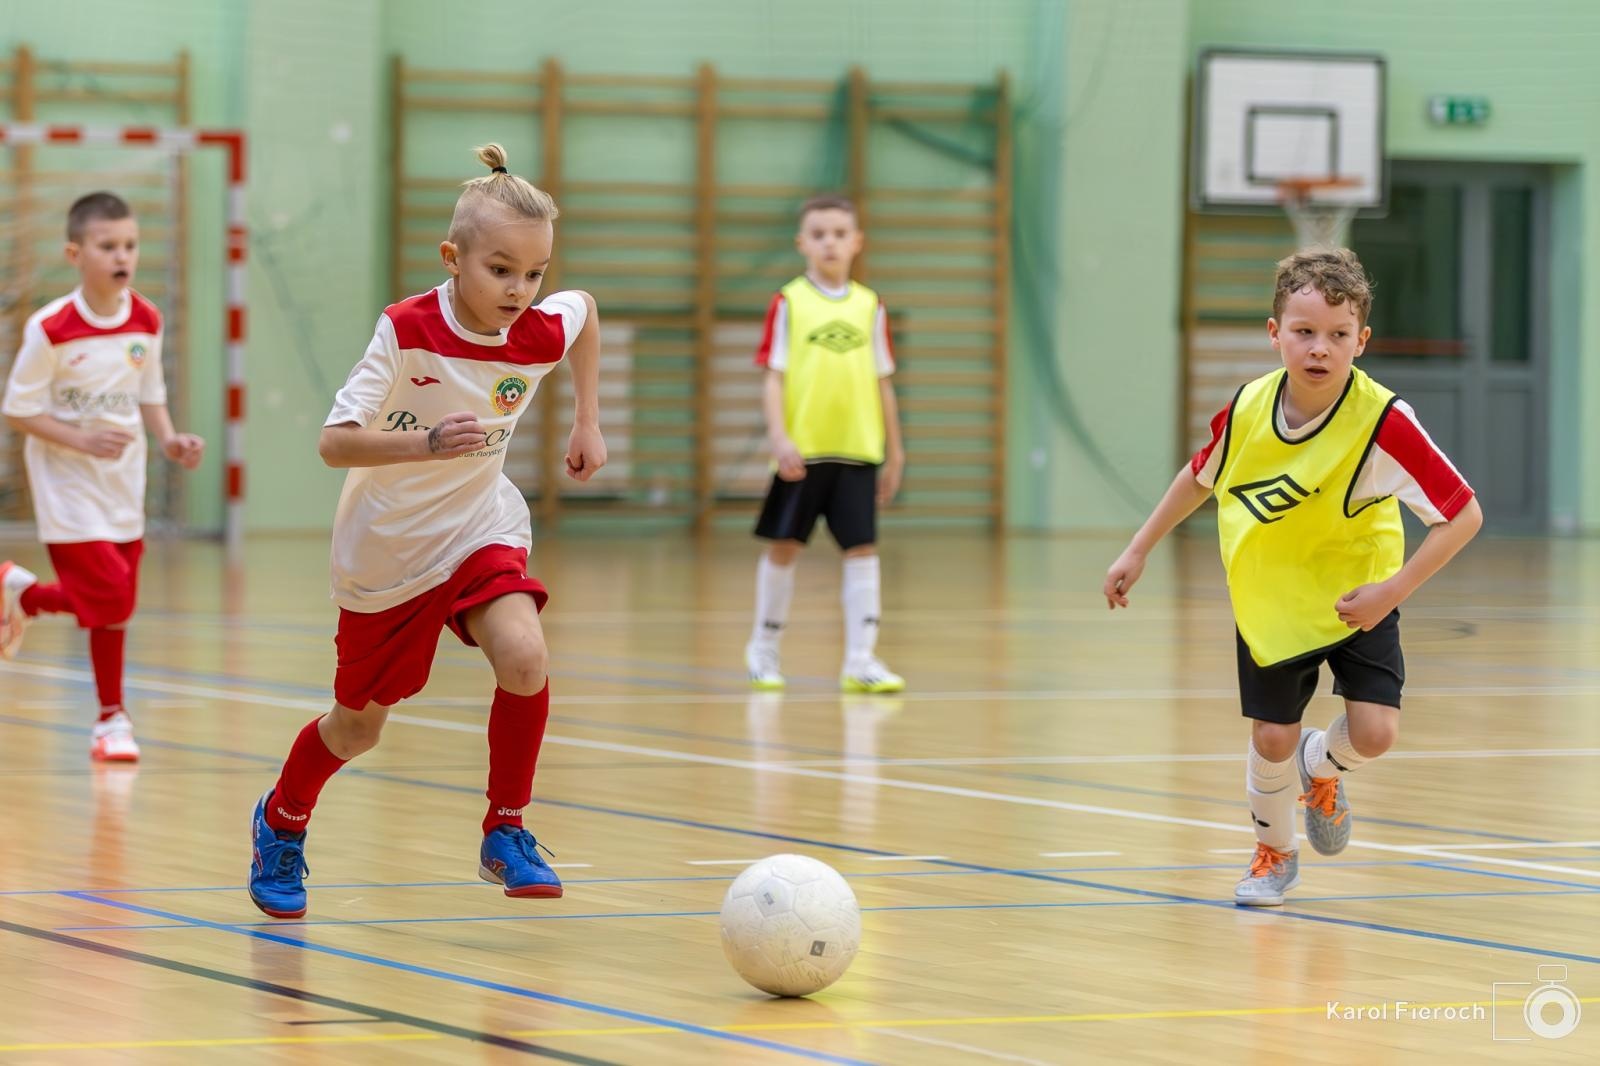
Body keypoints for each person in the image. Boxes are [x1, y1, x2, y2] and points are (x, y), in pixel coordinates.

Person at [247, 144, 604, 919]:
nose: (520, 290)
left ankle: (504, 829)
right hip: (387, 551)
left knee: (525, 654)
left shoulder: (537, 332)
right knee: (357, 727)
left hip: (479, 524)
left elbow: (585, 315)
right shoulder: (405, 329)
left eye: (534, 273)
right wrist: (423, 443)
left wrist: (587, 419)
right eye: (500, 269)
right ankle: (281, 820)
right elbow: (334, 443)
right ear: (453, 257)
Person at [1102, 247, 1482, 906]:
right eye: (1304, 332)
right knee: (1270, 735)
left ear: (1361, 341)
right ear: (1274, 333)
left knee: (1375, 734)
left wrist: (1391, 593)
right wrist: (1138, 549)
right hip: (1273, 601)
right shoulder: (1249, 407)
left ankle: (1321, 765)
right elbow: (1198, 479)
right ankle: (1273, 854)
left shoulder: (1386, 422)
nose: (1319, 349)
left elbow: (1463, 514)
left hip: (1356, 597)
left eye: (1338, 335)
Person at [0, 191, 205, 761]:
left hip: (122, 483)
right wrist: (82, 440)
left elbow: (149, 393)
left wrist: (169, 439)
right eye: (108, 245)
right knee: (112, 596)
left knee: (116, 604)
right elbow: (18, 409)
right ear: (75, 252)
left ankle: (23, 596)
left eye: (131, 245)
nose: (123, 256)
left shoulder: (146, 317)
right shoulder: (51, 328)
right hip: (66, 485)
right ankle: (113, 714)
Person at [744, 195, 906, 693]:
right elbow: (774, 376)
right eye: (818, 234)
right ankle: (763, 649)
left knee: (862, 551)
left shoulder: (869, 305)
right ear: (802, 244)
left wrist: (895, 450)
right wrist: (779, 435)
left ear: (857, 242)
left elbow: (882, 380)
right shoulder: (790, 301)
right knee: (786, 546)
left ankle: (861, 659)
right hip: (804, 450)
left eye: (839, 233)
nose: (829, 242)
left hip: (858, 449)